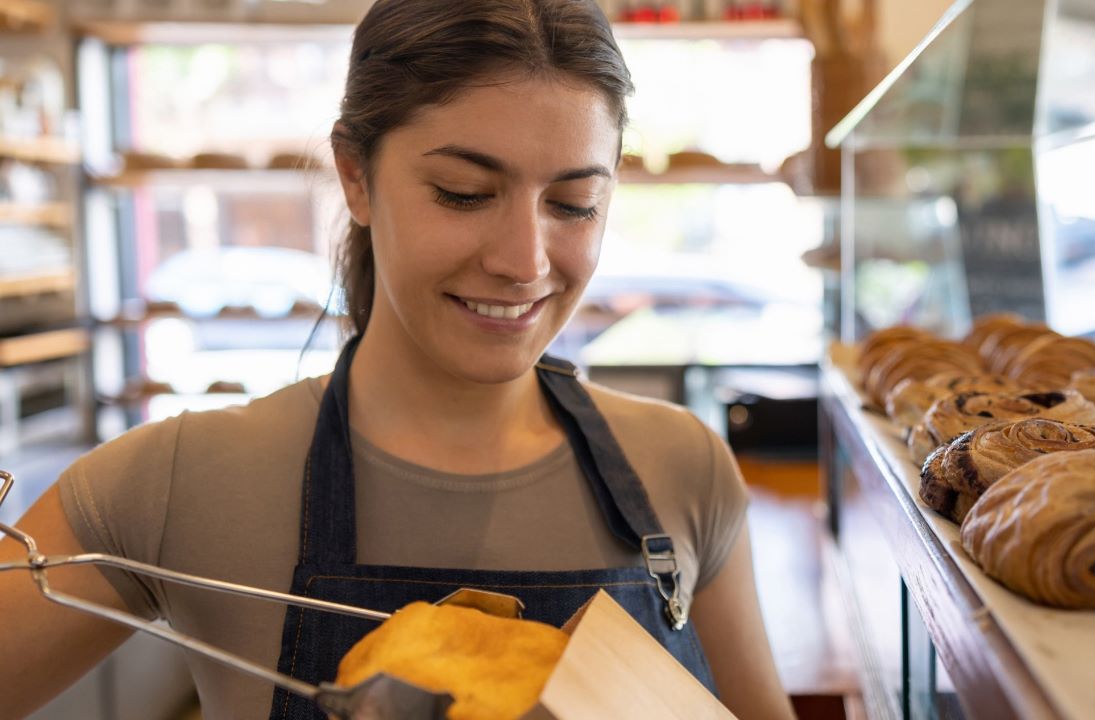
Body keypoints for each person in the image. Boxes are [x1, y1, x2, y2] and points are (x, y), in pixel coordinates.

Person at [0, 1, 796, 718]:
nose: (525, 260)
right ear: (356, 175)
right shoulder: (185, 480)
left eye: (572, 203)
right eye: (462, 191)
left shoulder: (683, 470)